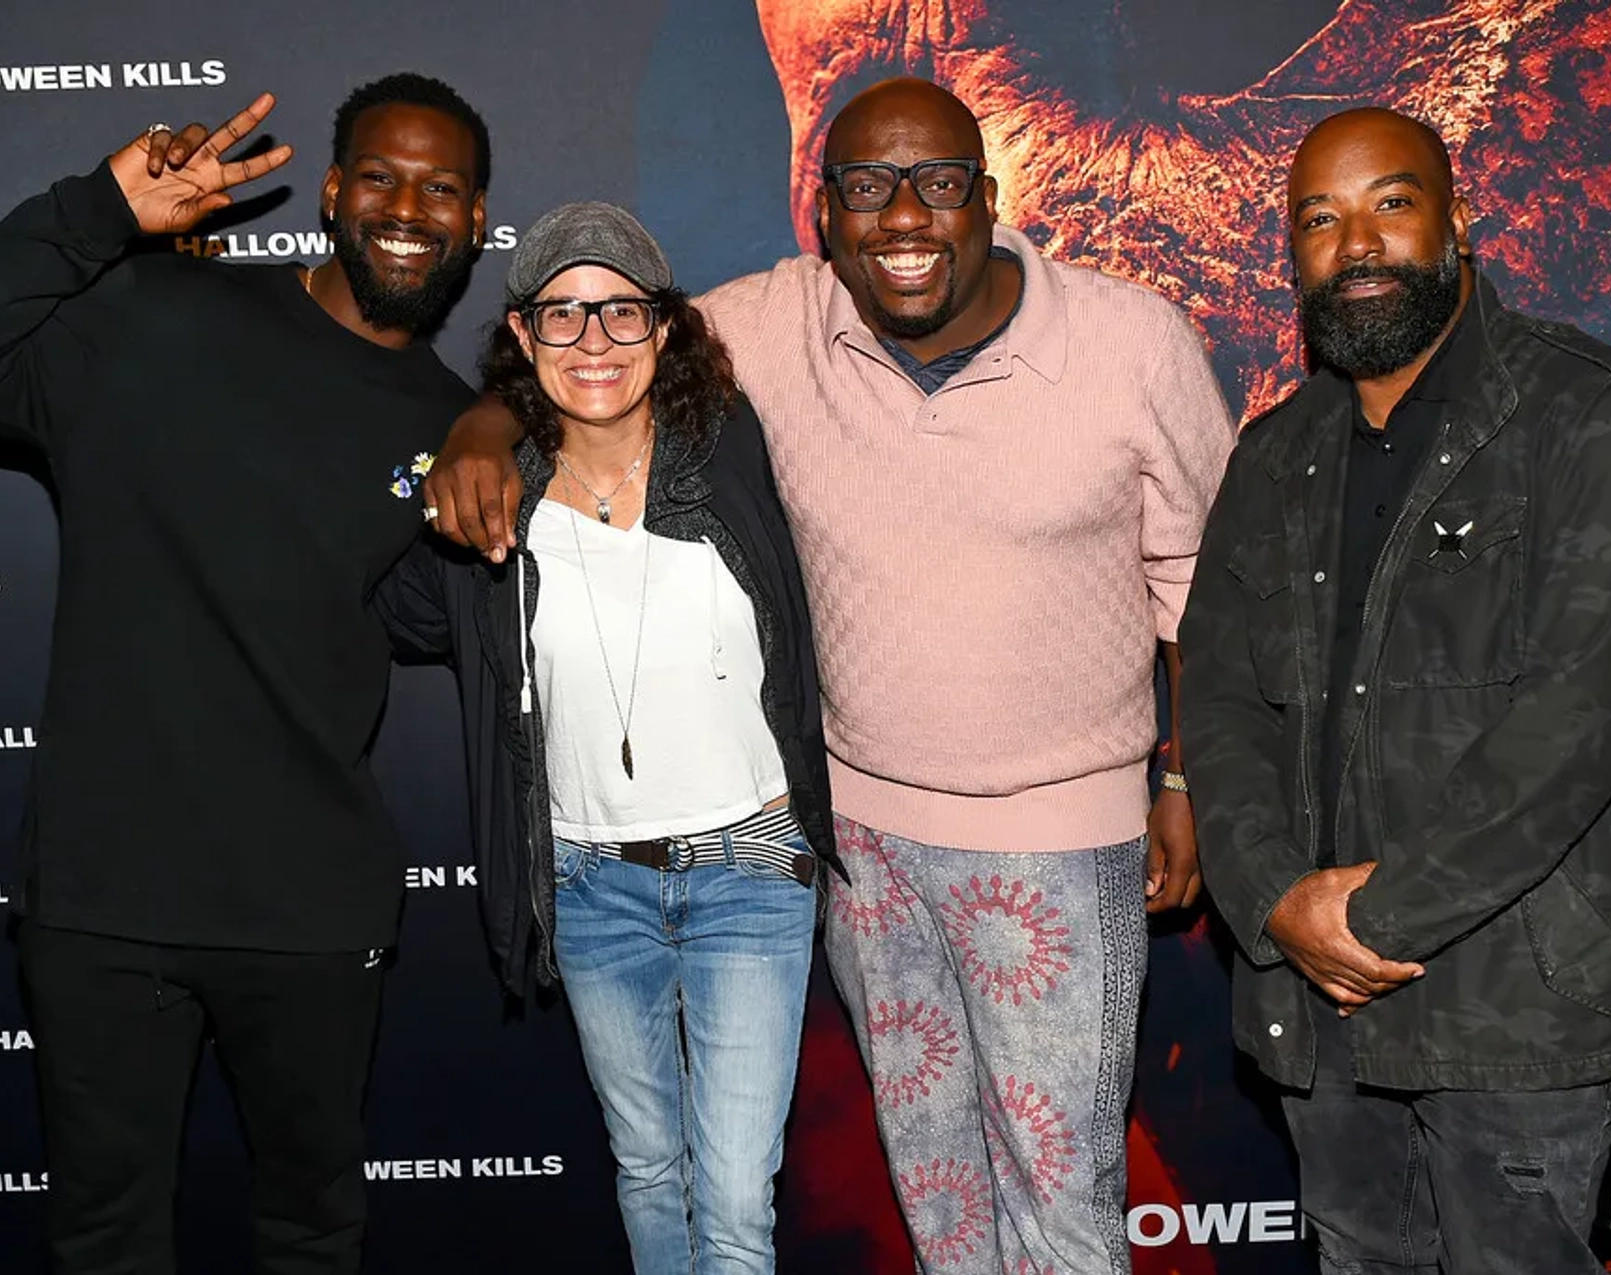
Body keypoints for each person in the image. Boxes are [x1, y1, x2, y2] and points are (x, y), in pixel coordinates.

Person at [421, 77, 1236, 1275]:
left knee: (1060, 1194)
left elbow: (1206, 589)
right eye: (867, 185)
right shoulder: (771, 325)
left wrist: (1185, 780)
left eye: (938, 182)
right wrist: (484, 423)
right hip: (864, 848)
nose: (903, 215)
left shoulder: (1129, 341)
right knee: (937, 1183)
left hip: (1061, 844)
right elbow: (595, 344)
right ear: (825, 211)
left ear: (987, 196)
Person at [0, 73, 491, 1274]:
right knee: (106, 1243)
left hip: (311, 910)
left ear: (474, 221)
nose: (407, 206)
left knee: (313, 1236)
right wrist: (94, 212)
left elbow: (455, 613)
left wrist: (502, 421)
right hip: (107, 898)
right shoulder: (152, 314)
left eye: (443, 188)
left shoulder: (448, 422)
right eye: (380, 175)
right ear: (329, 192)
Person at [1181, 107, 1611, 1274]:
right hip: (1319, 1002)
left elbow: (1590, 717)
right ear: (1292, 252)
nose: (1357, 241)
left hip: (1518, 1000)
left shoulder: (1606, 417)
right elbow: (1220, 702)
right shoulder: (1274, 457)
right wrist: (1278, 901)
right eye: (1319, 219)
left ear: (1458, 224)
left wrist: (1364, 923)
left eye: (1392, 202)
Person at [373, 201, 836, 1275]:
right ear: (522, 336)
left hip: (752, 869)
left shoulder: (734, 454)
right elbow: (390, 591)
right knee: (644, 1169)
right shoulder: (496, 502)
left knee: (732, 1199)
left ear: (664, 328)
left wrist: (487, 416)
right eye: (564, 317)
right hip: (588, 883)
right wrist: (465, 438)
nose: (594, 343)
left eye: (622, 314)